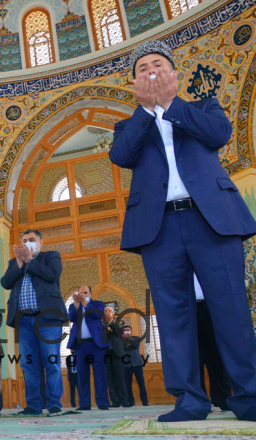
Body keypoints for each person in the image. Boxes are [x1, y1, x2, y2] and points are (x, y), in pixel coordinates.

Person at [109, 38, 256, 422]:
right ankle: (190, 399)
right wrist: (147, 111)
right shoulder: (128, 124)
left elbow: (219, 135)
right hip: (160, 228)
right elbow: (121, 156)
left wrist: (171, 106)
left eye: (157, 64)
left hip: (211, 220)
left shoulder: (203, 107)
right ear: (135, 82)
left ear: (174, 74)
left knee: (231, 310)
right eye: (142, 68)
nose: (151, 70)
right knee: (172, 315)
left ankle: (250, 394)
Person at [0, 229, 68, 415]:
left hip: (47, 319)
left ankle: (54, 404)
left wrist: (29, 261)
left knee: (51, 361)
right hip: (23, 321)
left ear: (40, 242)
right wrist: (20, 263)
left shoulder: (51, 257)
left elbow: (52, 276)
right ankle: (34, 405)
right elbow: (5, 283)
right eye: (24, 240)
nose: (27, 242)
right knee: (29, 365)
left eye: (31, 240)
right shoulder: (15, 262)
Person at [67, 286, 109, 411]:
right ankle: (84, 404)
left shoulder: (98, 304)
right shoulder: (74, 305)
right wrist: (76, 302)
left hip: (96, 345)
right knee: (82, 375)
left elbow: (97, 315)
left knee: (100, 375)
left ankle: (102, 403)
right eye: (81, 292)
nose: (83, 294)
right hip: (80, 345)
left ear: (90, 293)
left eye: (85, 293)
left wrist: (84, 301)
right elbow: (72, 317)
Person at [194, 274, 231, 411]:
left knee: (217, 356)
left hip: (211, 307)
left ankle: (223, 399)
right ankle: (198, 402)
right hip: (188, 309)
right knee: (193, 359)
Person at [104, 307, 129, 408]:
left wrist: (110, 322)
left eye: (109, 311)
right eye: (105, 311)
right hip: (106, 353)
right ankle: (115, 401)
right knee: (110, 378)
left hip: (117, 353)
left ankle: (124, 401)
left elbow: (118, 332)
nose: (107, 312)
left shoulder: (120, 322)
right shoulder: (101, 324)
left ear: (113, 313)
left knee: (120, 378)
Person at [122, 326, 149, 407]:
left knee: (141, 383)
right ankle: (130, 401)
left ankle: (145, 401)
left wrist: (128, 338)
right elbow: (121, 348)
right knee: (127, 385)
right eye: (125, 330)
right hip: (126, 364)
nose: (127, 331)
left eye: (128, 330)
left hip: (137, 363)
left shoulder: (136, 338)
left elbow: (136, 346)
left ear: (131, 331)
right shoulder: (121, 339)